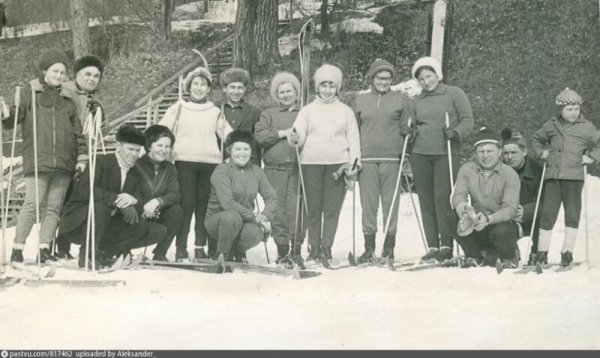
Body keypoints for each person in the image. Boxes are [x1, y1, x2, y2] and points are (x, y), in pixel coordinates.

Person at [1, 48, 87, 264]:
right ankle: (18, 249)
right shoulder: (30, 94)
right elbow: (14, 120)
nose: (59, 76)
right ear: (44, 71)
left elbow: (78, 133)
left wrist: (82, 158)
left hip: (64, 163)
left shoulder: (68, 101)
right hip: (38, 160)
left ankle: (44, 248)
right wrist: (6, 114)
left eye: (62, 72)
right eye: (54, 71)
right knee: (32, 204)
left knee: (53, 208)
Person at [57, 125, 168, 269]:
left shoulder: (135, 172)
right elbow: (85, 191)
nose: (134, 154)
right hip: (80, 223)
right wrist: (118, 201)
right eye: (130, 149)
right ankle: (88, 255)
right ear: (119, 146)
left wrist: (133, 202)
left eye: (137, 150)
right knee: (101, 207)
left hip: (107, 225)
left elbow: (141, 201)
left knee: (154, 229)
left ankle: (107, 252)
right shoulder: (100, 161)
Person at [288, 64, 361, 268]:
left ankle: (326, 248)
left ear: (337, 88)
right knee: (314, 209)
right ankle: (313, 248)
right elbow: (299, 133)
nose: (327, 90)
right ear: (317, 88)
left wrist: (354, 162)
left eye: (332, 86)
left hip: (337, 164)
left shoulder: (345, 111)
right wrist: (295, 137)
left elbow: (353, 139)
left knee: (331, 209)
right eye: (323, 86)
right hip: (311, 163)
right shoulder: (307, 110)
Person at [159, 66, 232, 262]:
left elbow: (228, 135)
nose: (199, 88)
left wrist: (234, 148)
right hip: (184, 162)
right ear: (188, 87)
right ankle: (181, 247)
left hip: (209, 163)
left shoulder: (215, 111)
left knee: (203, 207)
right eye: (195, 84)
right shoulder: (178, 108)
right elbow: (161, 130)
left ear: (209, 89)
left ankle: (200, 247)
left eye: (204, 84)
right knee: (186, 204)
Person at [408, 56, 474, 262]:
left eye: (429, 76)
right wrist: (409, 132)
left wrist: (456, 132)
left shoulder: (454, 93)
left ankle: (447, 243)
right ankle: (433, 246)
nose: (426, 82)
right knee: (426, 199)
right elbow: (410, 124)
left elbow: (467, 120)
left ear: (437, 74)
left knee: (443, 197)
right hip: (420, 153)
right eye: (421, 79)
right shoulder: (416, 100)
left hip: (445, 153)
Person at [530, 88, 600, 266]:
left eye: (576, 109)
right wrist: (541, 152)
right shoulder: (551, 125)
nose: (574, 113)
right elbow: (535, 139)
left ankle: (567, 252)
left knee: (572, 214)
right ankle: (541, 252)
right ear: (560, 109)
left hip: (574, 177)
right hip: (553, 176)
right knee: (548, 214)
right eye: (569, 109)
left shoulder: (586, 127)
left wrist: (591, 156)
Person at [352, 59, 412, 263]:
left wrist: (408, 140)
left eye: (387, 78)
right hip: (367, 159)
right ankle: (369, 248)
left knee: (390, 204)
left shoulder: (401, 99)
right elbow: (353, 130)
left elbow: (408, 127)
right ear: (372, 78)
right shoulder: (360, 100)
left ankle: (388, 248)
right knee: (368, 206)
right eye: (380, 78)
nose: (384, 82)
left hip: (391, 159)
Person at [56, 54, 105, 259]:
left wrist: (101, 114)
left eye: (96, 76)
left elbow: (101, 131)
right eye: (87, 74)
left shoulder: (92, 99)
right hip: (66, 154)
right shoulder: (65, 91)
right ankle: (55, 245)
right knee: (61, 199)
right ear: (77, 74)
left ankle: (63, 244)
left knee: (73, 199)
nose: (92, 79)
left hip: (85, 155)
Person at [452, 127, 521, 268]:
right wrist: (462, 206)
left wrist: (489, 219)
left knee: (503, 230)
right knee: (450, 216)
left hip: (499, 224)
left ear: (499, 152)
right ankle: (475, 256)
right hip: (477, 223)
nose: (485, 155)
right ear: (476, 154)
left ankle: (509, 256)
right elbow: (458, 194)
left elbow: (510, 209)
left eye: (490, 151)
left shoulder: (509, 174)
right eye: (481, 152)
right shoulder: (467, 169)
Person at [204, 130, 277, 262]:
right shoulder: (222, 170)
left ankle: (238, 251)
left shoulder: (256, 171)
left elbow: (271, 197)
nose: (242, 153)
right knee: (232, 216)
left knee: (255, 233)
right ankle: (222, 254)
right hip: (219, 221)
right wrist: (255, 217)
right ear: (229, 150)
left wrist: (265, 215)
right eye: (238, 149)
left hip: (244, 221)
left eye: (246, 149)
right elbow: (228, 204)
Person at [255, 72, 303, 268]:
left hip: (297, 168)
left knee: (296, 210)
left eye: (289, 91)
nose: (285, 95)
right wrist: (282, 133)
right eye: (281, 92)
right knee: (277, 211)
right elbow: (260, 136)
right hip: (274, 170)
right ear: (276, 94)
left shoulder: (304, 112)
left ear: (296, 92)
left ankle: (296, 250)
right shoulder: (268, 114)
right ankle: (282, 251)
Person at [135, 125, 183, 262]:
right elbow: (132, 190)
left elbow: (175, 194)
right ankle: (122, 250)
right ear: (149, 145)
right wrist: (142, 206)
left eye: (167, 147)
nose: (163, 150)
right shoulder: (137, 165)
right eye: (159, 145)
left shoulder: (170, 168)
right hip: (138, 212)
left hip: (157, 212)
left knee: (176, 211)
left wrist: (157, 202)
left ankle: (160, 253)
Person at [501, 128, 544, 265]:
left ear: (524, 152)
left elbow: (544, 200)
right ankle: (510, 253)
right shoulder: (499, 170)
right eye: (505, 153)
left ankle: (538, 253)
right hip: (508, 217)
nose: (509, 157)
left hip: (531, 217)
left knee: (544, 218)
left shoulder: (538, 171)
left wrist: (526, 210)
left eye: (514, 152)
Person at [219, 67, 262, 166]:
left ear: (245, 89)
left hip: (246, 164)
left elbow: (256, 143)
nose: (236, 91)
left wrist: (254, 165)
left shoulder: (254, 112)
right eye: (232, 87)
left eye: (240, 88)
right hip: (223, 164)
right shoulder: (217, 111)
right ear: (225, 89)